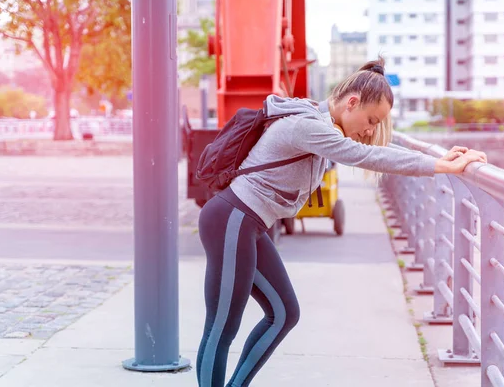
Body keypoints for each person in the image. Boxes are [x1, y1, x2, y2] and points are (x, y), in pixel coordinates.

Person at [195, 57, 487, 387]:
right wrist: (438, 164)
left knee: (284, 313)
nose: (371, 130)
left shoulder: (322, 122)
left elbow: (373, 149)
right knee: (221, 328)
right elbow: (367, 156)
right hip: (232, 219)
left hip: (247, 223)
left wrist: (438, 158)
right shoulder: (309, 127)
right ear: (351, 103)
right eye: (371, 119)